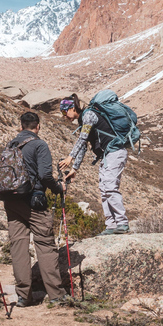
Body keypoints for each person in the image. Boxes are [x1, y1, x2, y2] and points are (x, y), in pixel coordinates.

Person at [3, 111, 67, 307]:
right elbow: (45, 175)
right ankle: (56, 295)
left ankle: (23, 295)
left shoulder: (11, 145)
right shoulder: (39, 145)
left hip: (11, 200)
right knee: (45, 245)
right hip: (34, 200)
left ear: (21, 126)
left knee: (18, 245)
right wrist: (58, 188)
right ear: (37, 127)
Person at [58, 94, 129, 235]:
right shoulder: (83, 121)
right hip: (107, 156)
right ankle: (111, 225)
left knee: (109, 186)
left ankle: (122, 222)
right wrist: (74, 169)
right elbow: (84, 146)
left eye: (64, 112)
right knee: (104, 189)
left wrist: (70, 157)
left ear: (72, 108)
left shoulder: (89, 115)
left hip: (115, 153)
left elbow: (83, 138)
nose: (65, 116)